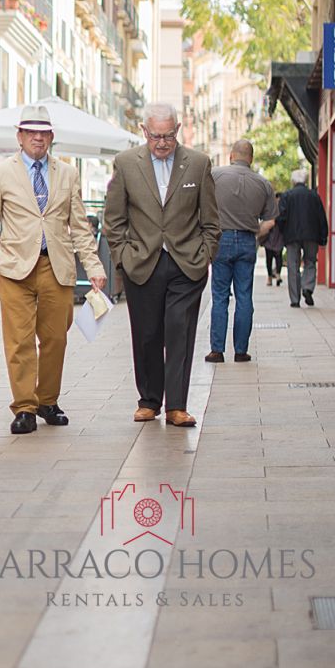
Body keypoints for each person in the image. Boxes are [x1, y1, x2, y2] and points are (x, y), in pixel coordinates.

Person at [0, 105, 106, 436]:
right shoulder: (1, 172)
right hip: (15, 269)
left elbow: (79, 226)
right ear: (19, 136)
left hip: (57, 267)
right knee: (18, 341)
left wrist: (93, 265)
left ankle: (47, 401)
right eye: (31, 132)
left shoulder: (67, 173)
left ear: (51, 137)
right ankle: (24, 407)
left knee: (54, 339)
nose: (38, 137)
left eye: (44, 132)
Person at [103, 104, 219, 428]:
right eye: (156, 136)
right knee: (147, 333)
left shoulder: (198, 164)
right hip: (141, 262)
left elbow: (211, 219)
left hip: (186, 264)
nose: (163, 143)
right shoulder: (126, 163)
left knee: (179, 333)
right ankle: (149, 400)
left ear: (178, 129)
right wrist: (122, 257)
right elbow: (113, 220)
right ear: (144, 131)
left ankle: (177, 406)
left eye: (168, 135)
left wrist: (206, 253)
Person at [205, 140, 277, 364]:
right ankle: (240, 351)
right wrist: (255, 233)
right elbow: (270, 221)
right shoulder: (263, 183)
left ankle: (217, 350)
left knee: (220, 296)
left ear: (231, 155)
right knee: (244, 296)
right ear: (251, 158)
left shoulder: (215, 176)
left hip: (221, 239)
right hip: (247, 240)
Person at [277, 168, 328, 308]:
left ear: (293, 181)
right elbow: (321, 217)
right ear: (305, 181)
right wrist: (323, 236)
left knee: (292, 265)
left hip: (291, 235)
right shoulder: (314, 196)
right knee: (310, 261)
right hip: (311, 235)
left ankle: (295, 299)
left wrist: (282, 232)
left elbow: (281, 217)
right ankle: (307, 287)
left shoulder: (287, 195)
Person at [263, 192, 285, 287]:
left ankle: (277, 275)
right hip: (270, 236)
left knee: (278, 256)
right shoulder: (270, 209)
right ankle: (270, 277)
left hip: (278, 236)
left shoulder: (283, 209)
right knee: (269, 258)